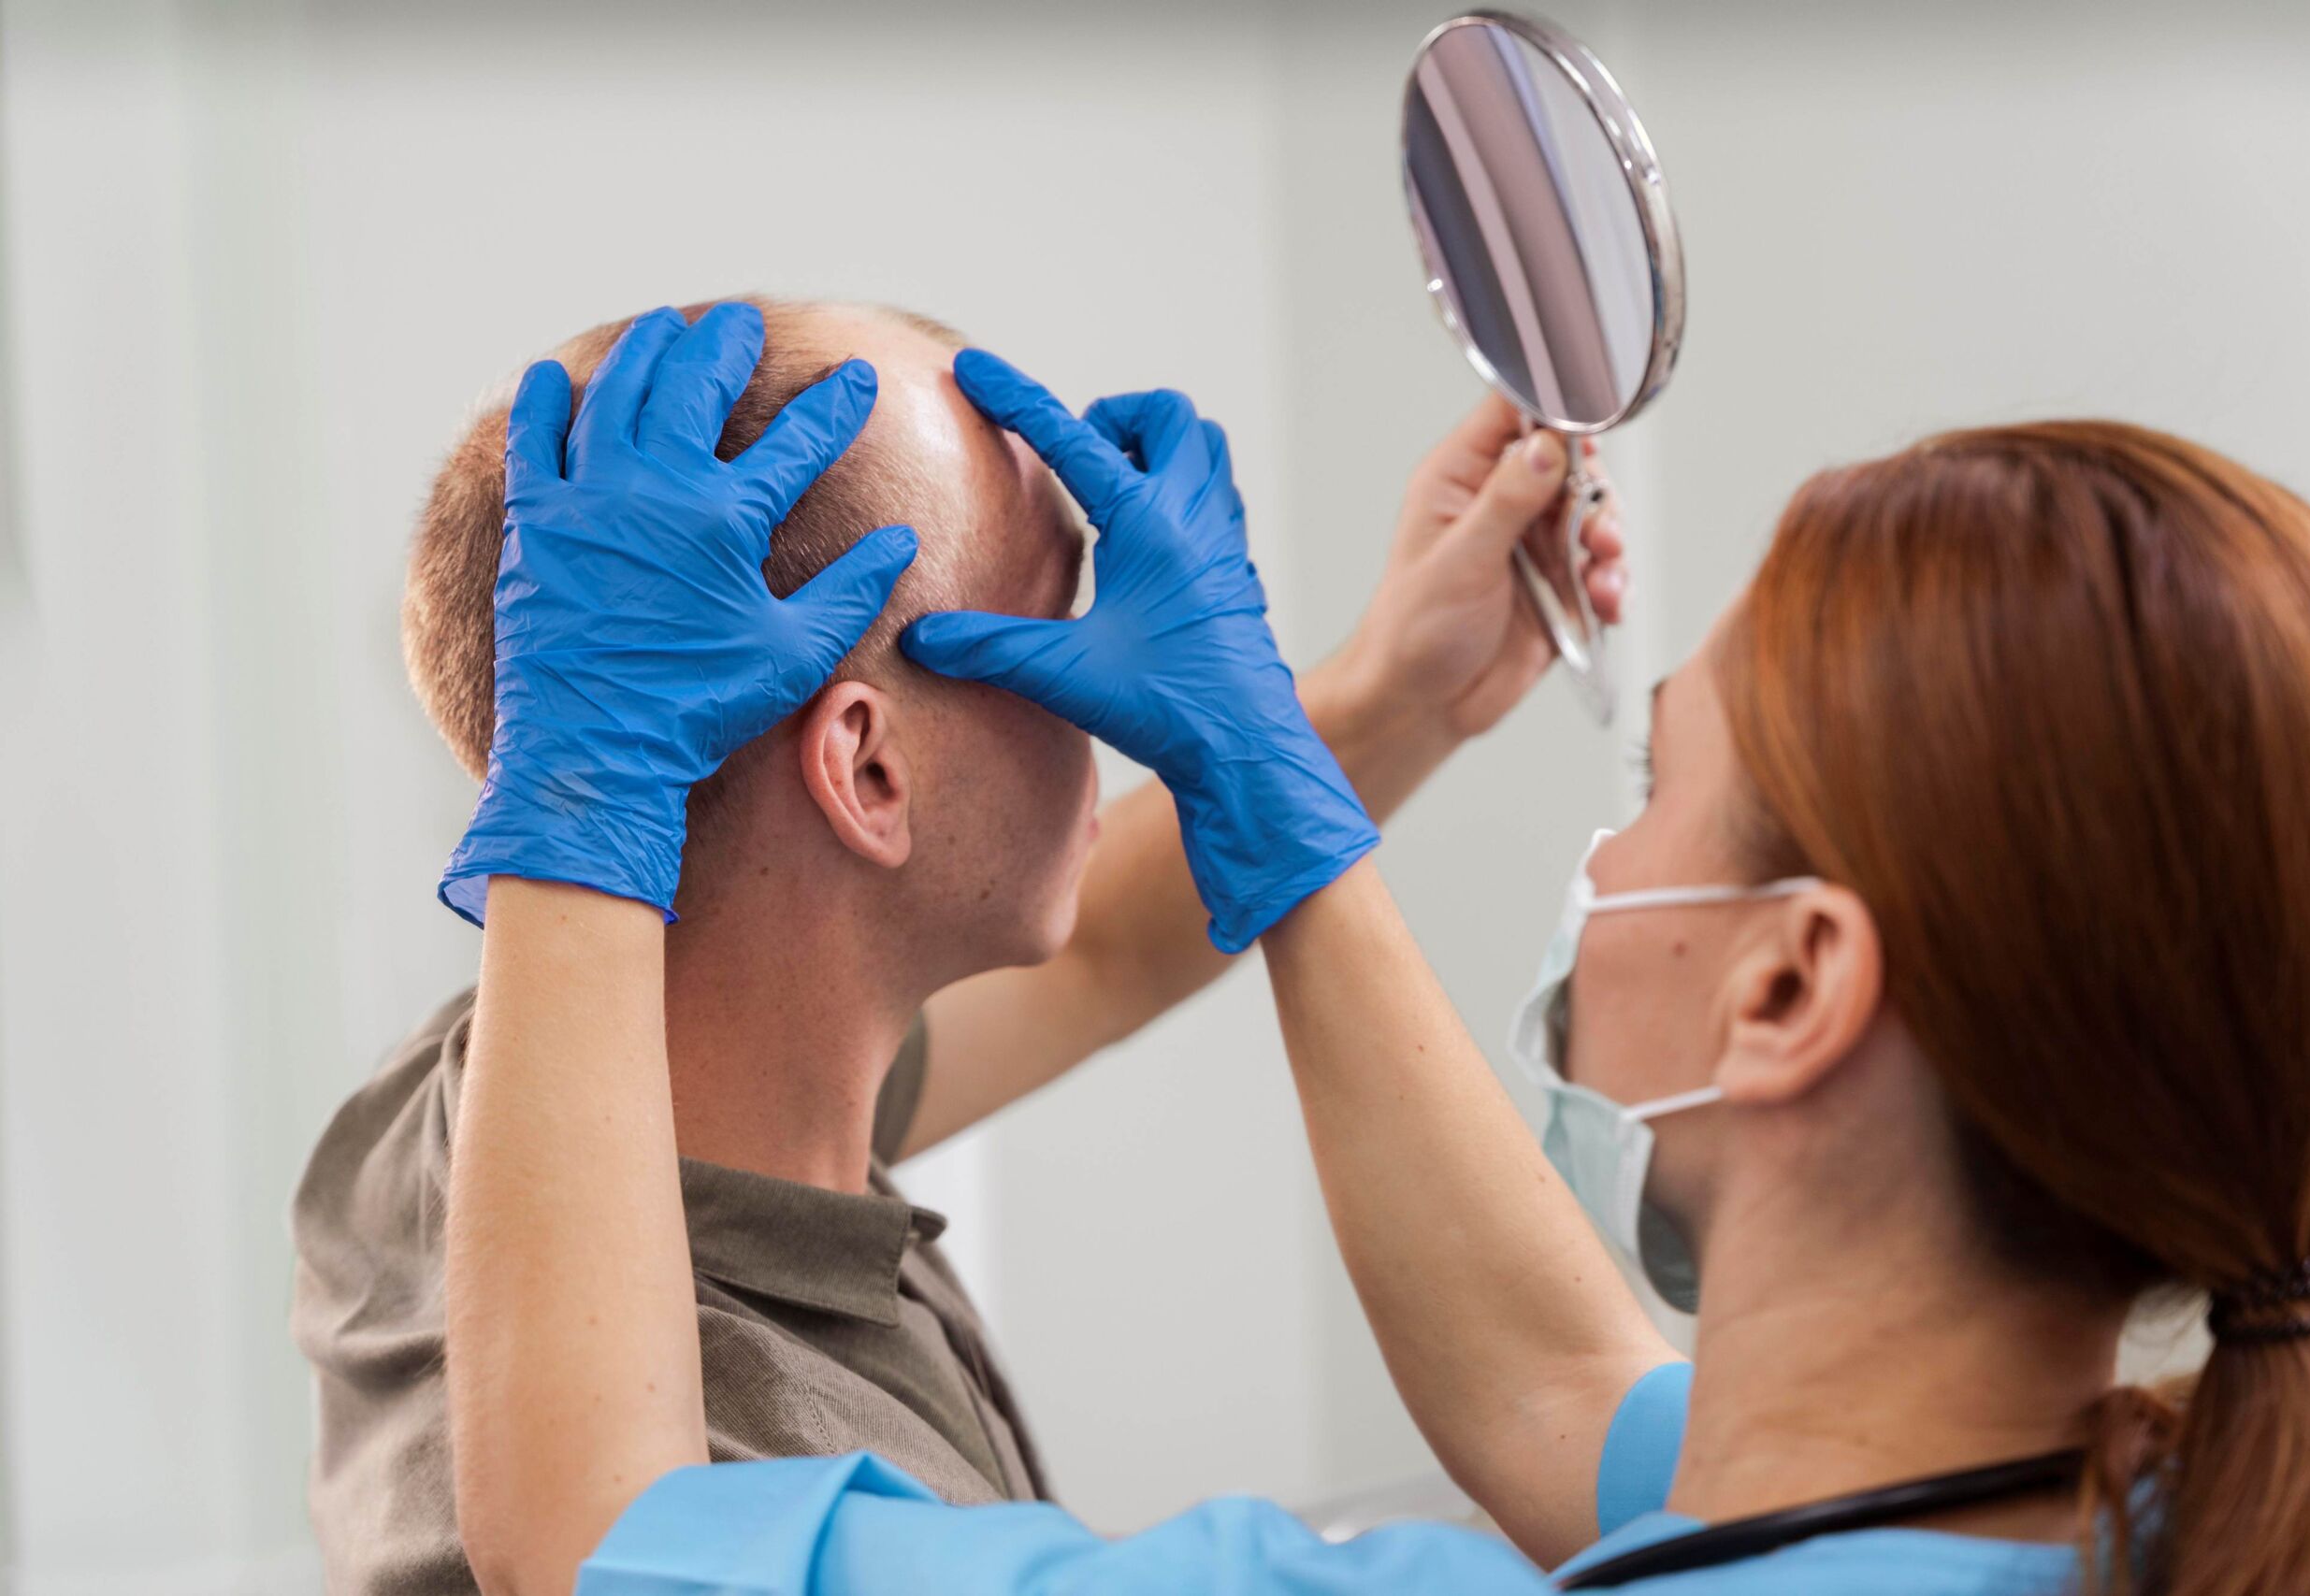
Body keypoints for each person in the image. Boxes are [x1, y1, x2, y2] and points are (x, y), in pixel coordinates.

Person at [445, 305, 2310, 1595]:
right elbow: (1557, 1391)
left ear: (1788, 984)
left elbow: (602, 1532)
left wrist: (587, 783)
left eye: (1655, 780)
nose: (1607, 844)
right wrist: (1292, 773)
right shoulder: (2201, 1516)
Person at [288, 296, 1624, 1595]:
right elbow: (605, 1540)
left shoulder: (449, 1138)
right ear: (867, 770)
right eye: (1059, 620)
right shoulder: (775, 1465)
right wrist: (1333, 728)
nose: (1120, 686)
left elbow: (1101, 954)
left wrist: (1394, 695)